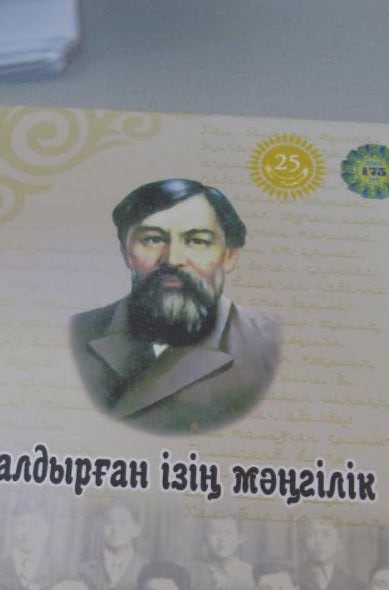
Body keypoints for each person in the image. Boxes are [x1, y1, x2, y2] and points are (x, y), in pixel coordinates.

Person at [70, 178, 280, 434]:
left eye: (197, 241)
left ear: (229, 255)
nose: (172, 259)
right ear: (126, 252)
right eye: (152, 239)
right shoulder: (76, 332)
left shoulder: (270, 345)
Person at [80, 503, 147, 590]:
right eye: (110, 522)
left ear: (136, 530)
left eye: (123, 523)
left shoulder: (147, 570)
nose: (116, 529)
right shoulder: (85, 570)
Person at [293, 518, 367, 590]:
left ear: (340, 544)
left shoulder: (356, 588)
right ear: (303, 543)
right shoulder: (291, 581)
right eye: (311, 535)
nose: (318, 542)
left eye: (326, 535)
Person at [187, 515, 254, 590]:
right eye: (214, 533)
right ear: (205, 538)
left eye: (228, 533)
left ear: (240, 538)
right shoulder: (191, 573)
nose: (221, 539)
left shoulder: (251, 574)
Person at [0, 508, 55, 590]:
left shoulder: (57, 574)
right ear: (12, 528)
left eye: (35, 524)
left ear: (47, 530)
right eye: (21, 523)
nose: (28, 532)